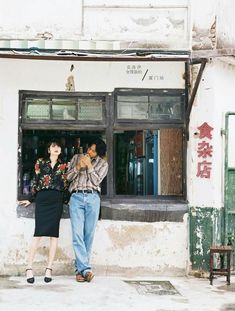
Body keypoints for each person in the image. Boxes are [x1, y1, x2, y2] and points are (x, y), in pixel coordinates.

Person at [19, 140, 67, 284]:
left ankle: (49, 268)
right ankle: (29, 267)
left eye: (58, 146)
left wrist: (67, 199)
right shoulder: (40, 162)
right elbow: (35, 181)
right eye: (53, 146)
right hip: (42, 199)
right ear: (48, 149)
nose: (56, 148)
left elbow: (65, 183)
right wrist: (30, 198)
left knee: (54, 234)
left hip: (57, 200)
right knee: (38, 234)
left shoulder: (64, 165)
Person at [67, 138, 108, 282]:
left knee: (88, 235)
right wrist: (78, 167)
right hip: (76, 197)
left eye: (93, 150)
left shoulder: (103, 164)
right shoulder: (76, 158)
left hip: (92, 198)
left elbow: (97, 181)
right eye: (89, 148)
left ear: (99, 153)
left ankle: (80, 271)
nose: (89, 151)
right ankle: (86, 269)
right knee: (77, 234)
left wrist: (89, 166)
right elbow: (68, 177)